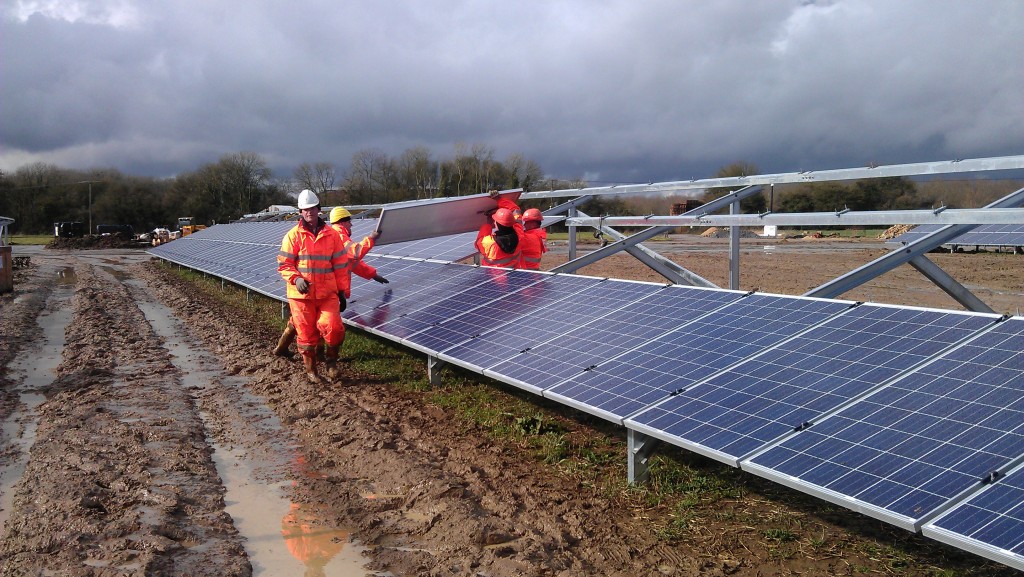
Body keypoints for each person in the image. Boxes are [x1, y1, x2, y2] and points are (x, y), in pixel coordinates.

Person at [273, 206, 389, 361]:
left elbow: (351, 264)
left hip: (322, 289)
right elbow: (355, 252)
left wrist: (373, 274)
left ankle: (281, 348)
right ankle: (319, 355)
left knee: (300, 321)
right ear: (343, 221)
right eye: (349, 221)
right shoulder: (337, 235)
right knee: (319, 323)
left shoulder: (333, 234)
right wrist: (372, 238)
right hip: (321, 289)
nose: (352, 225)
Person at [276, 189, 350, 383]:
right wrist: (296, 278)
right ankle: (311, 371)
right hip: (301, 296)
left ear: (319, 209)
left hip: (327, 293)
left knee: (334, 327)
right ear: (301, 212)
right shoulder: (293, 236)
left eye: (312, 208)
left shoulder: (332, 236)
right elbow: (284, 264)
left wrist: (342, 291)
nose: (309, 212)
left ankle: (331, 362)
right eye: (305, 209)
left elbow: (341, 265)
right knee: (307, 335)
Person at [475, 190, 525, 268]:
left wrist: (488, 224)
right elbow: (516, 211)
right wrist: (499, 199)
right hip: (513, 276)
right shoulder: (519, 236)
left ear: (496, 224)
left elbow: (478, 243)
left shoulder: (489, 243)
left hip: (492, 278)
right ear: (512, 221)